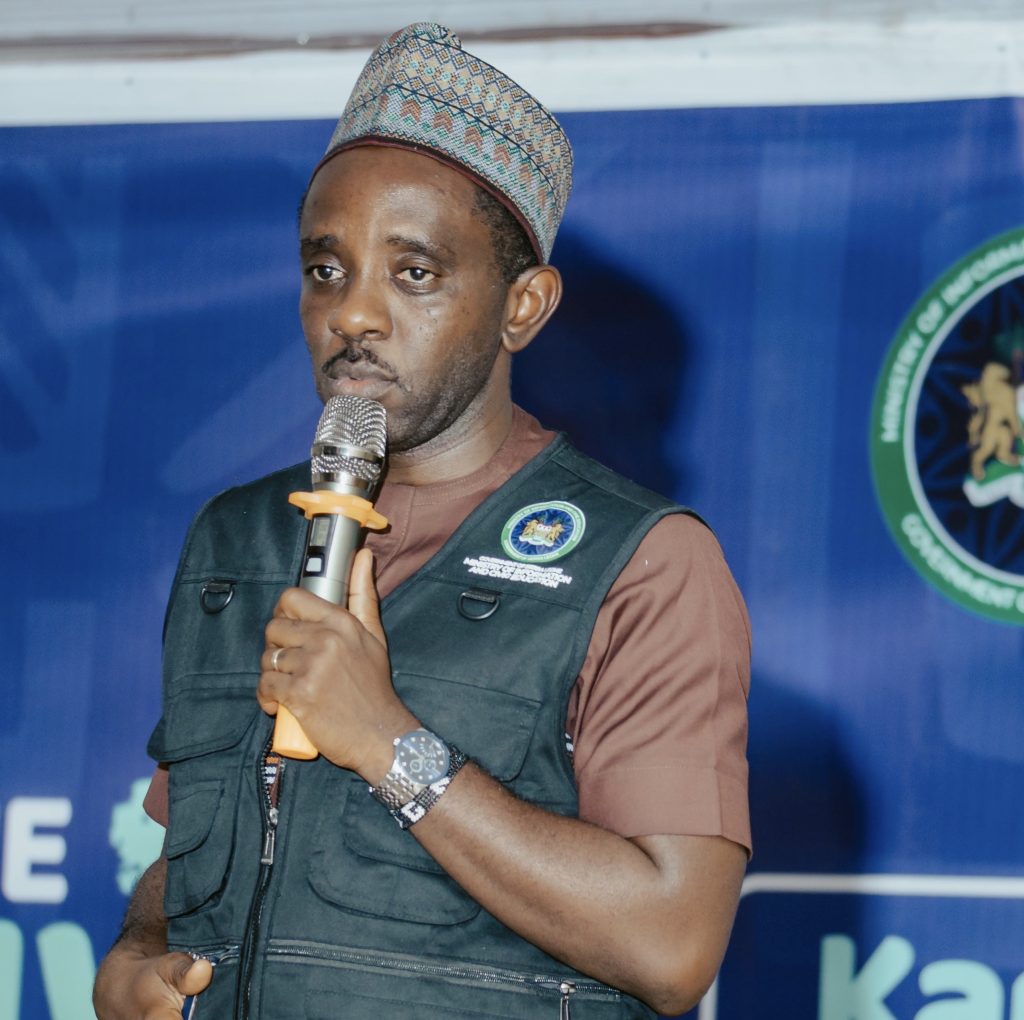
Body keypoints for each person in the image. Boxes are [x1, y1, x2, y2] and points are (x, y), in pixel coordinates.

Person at [93, 22, 751, 1020]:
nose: (353, 315)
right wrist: (137, 953)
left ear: (522, 307)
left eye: (413, 273)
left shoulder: (644, 562)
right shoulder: (236, 538)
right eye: (326, 270)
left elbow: (670, 945)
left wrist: (389, 743)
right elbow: (189, 857)